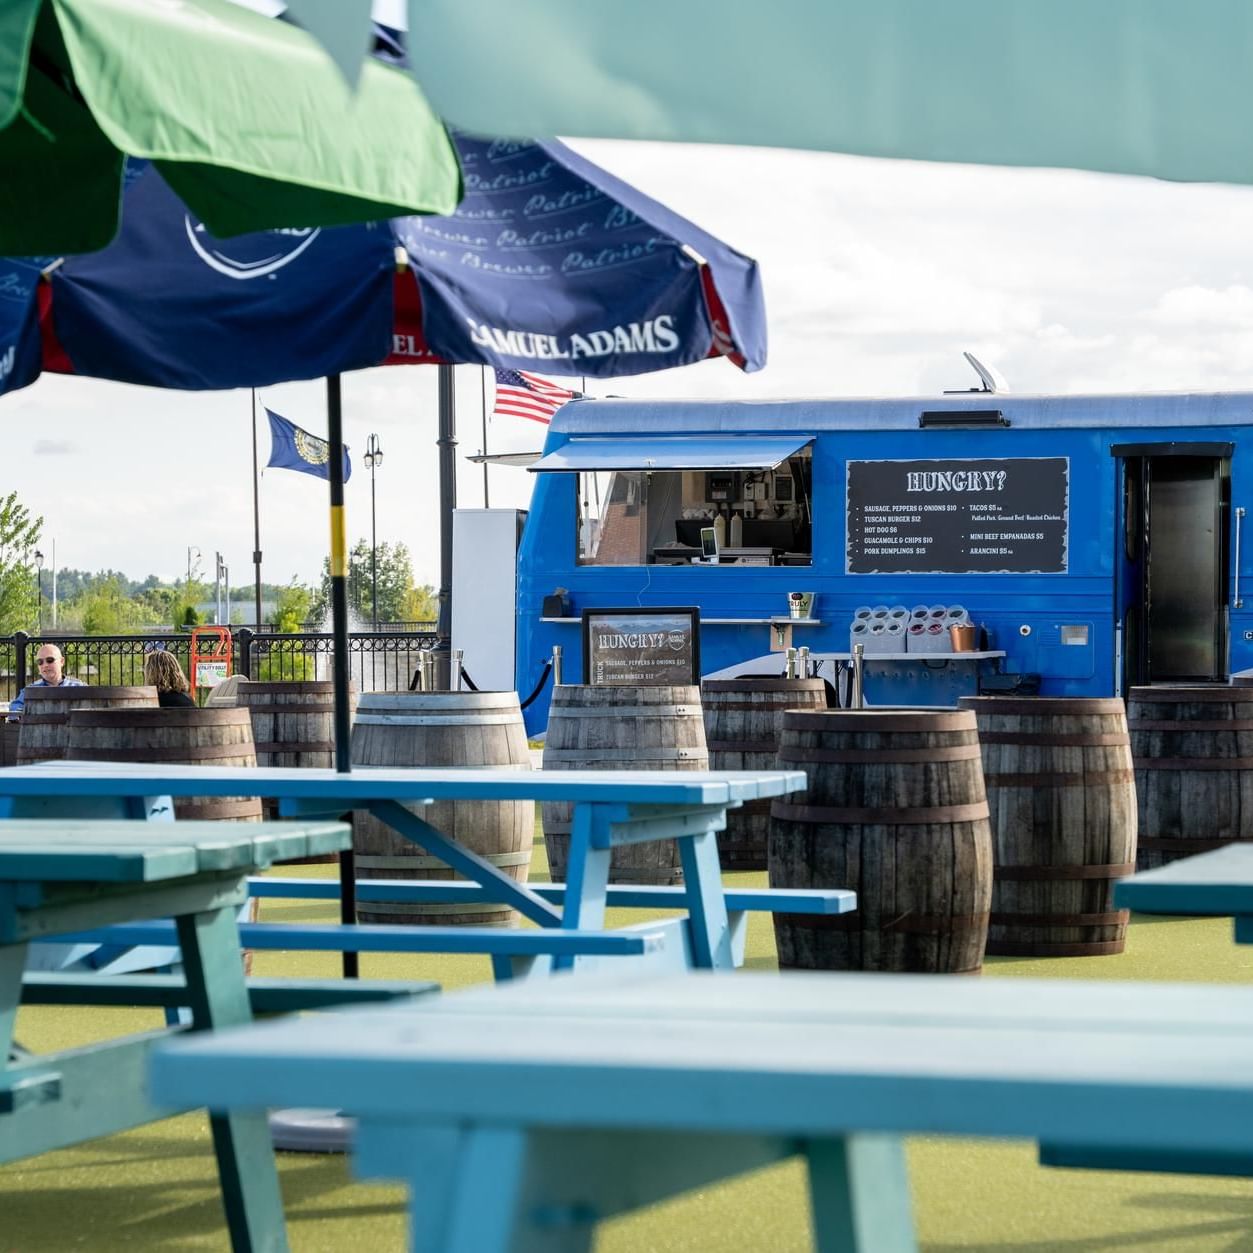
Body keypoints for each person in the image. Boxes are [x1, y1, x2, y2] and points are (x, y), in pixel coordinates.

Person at [6, 643, 86, 721]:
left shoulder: (80, 687)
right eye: (40, 662)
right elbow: (15, 709)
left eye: (50, 660)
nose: (45, 665)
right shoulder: (30, 691)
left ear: (62, 661)